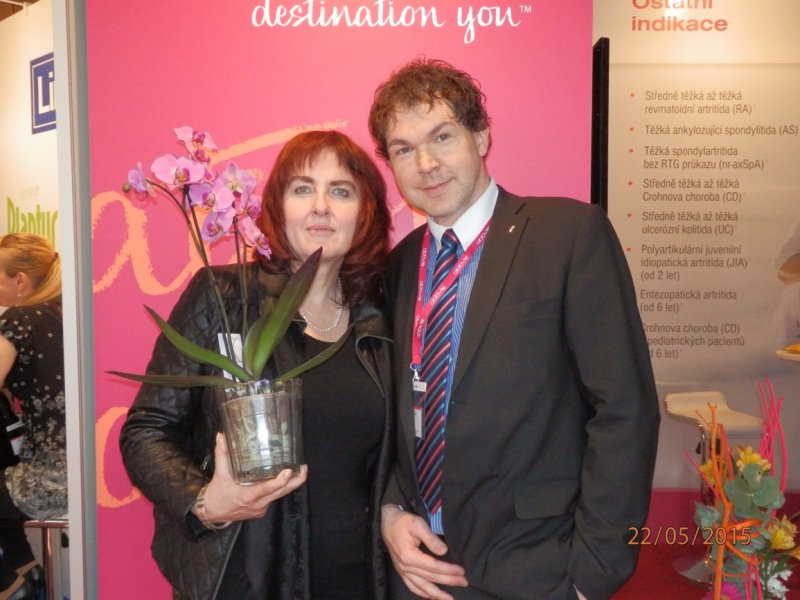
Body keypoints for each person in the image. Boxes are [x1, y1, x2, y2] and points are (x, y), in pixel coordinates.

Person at [369, 58, 661, 600]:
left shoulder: (568, 234)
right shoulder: (400, 264)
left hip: (540, 569)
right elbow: (396, 410)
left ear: (481, 136)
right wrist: (390, 507)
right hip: (422, 570)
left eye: (442, 137)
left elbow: (624, 408)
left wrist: (592, 573)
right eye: (404, 150)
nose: (426, 164)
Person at [119, 130, 394, 600]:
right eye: (302, 189)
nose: (321, 207)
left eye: (341, 191)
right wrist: (205, 502)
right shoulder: (225, 297)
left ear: (365, 213)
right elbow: (146, 430)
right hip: (247, 578)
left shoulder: (378, 318)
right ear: (277, 206)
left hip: (360, 578)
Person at [0, 233, 64, 600]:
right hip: (85, 475)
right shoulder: (68, 312)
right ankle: (25, 569)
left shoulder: (21, 319)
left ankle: (9, 587)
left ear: (20, 281)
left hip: (48, 480)